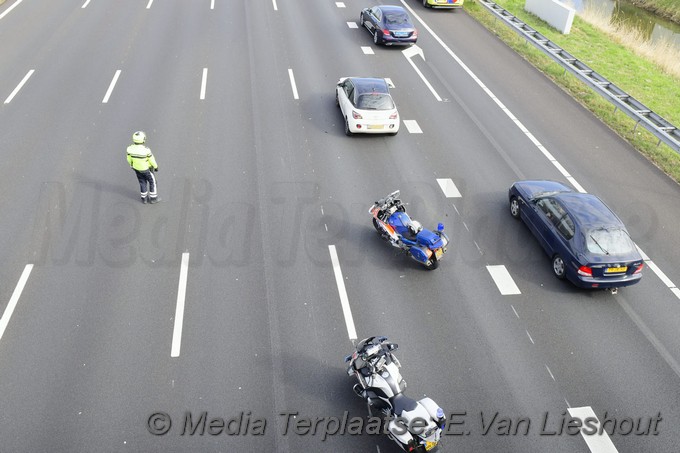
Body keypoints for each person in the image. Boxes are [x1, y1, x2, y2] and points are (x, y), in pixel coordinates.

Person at [126, 131, 159, 204]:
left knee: (142, 182)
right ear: (143, 139)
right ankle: (153, 198)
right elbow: (151, 159)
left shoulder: (129, 149)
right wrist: (156, 166)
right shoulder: (146, 150)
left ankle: (144, 198)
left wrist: (132, 164)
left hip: (137, 169)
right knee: (152, 181)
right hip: (146, 169)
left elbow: (129, 159)